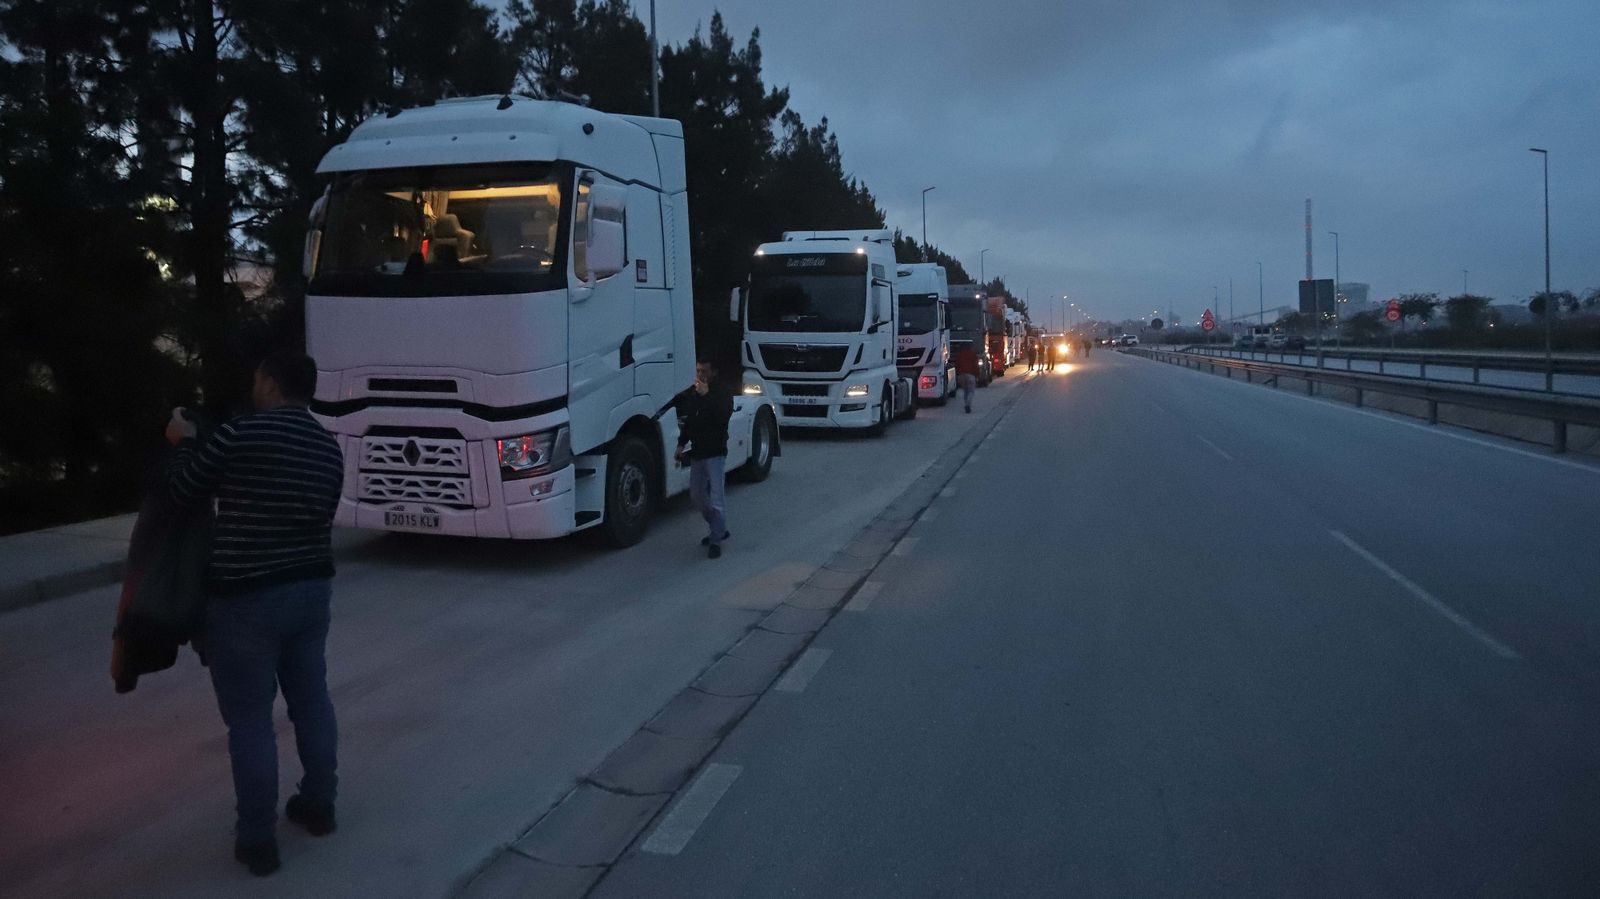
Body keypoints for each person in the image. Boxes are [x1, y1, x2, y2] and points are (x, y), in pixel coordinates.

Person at [164, 350, 345, 877]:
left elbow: (183, 492)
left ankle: (258, 840)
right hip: (312, 593)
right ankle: (320, 804)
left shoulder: (240, 435)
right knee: (312, 701)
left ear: (269, 381)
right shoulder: (328, 448)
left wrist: (181, 443)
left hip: (245, 599)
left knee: (249, 721)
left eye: (256, 376)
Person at [673, 359, 735, 559]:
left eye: (704, 371)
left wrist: (707, 395)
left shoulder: (721, 392)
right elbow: (690, 421)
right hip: (698, 452)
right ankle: (718, 527)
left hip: (715, 452)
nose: (701, 375)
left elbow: (723, 415)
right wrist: (681, 444)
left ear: (713, 372)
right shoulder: (695, 393)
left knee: (717, 498)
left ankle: (716, 539)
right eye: (698, 371)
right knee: (697, 495)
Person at [952, 343, 980, 413]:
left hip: (961, 375)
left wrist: (957, 374)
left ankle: (966, 403)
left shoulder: (959, 355)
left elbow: (957, 365)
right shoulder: (973, 354)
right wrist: (977, 375)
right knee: (971, 391)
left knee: (965, 391)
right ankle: (968, 404)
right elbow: (975, 365)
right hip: (971, 375)